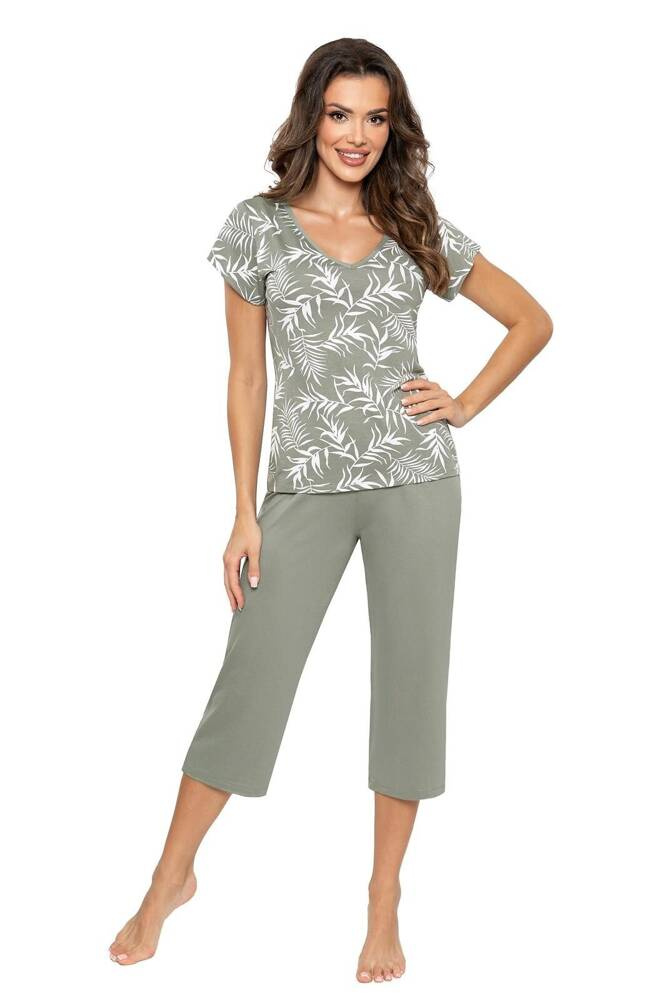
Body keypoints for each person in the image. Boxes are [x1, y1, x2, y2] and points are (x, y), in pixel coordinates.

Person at [109, 37, 553, 981]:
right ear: (311, 116)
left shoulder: (413, 223)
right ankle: (169, 878)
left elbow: (531, 320)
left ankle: (383, 898)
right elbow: (246, 377)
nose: (357, 135)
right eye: (341, 113)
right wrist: (243, 512)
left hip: (415, 480)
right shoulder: (258, 227)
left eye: (375, 117)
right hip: (304, 487)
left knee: (410, 685)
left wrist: (464, 403)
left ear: (394, 126)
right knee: (252, 679)